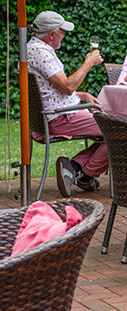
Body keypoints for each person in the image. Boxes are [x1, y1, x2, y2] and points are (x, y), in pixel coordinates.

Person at [26, 10, 107, 196]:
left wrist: (83, 95)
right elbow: (68, 86)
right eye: (62, 31)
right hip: (60, 117)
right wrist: (88, 62)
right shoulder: (42, 53)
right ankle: (83, 173)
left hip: (57, 113)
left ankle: (74, 167)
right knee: (117, 131)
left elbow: (51, 90)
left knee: (112, 129)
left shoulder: (33, 48)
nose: (64, 35)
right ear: (52, 34)